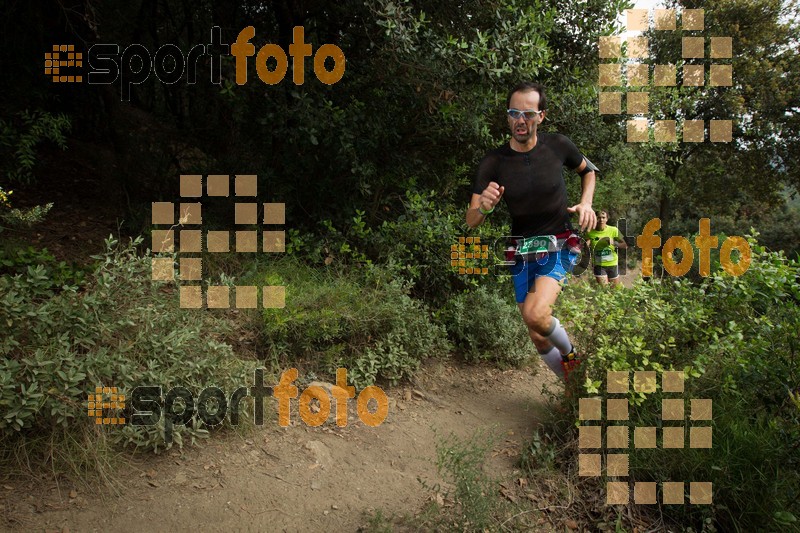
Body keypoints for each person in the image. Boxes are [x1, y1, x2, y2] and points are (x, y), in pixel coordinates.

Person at [466, 82, 597, 382]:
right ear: (508, 117)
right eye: (514, 113)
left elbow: (588, 171)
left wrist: (586, 203)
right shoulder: (493, 161)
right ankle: (571, 388)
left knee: (536, 315)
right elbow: (471, 220)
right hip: (521, 250)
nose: (520, 120)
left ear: (541, 116)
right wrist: (484, 207)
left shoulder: (558, 146)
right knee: (538, 336)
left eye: (528, 113)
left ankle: (574, 364)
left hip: (560, 242)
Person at [585, 210, 627, 286]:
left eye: (603, 217)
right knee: (604, 290)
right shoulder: (590, 232)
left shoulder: (613, 230)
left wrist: (614, 243)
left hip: (612, 264)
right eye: (599, 217)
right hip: (599, 265)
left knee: (615, 291)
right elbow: (585, 246)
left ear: (607, 219)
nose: (601, 220)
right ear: (595, 218)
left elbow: (624, 245)